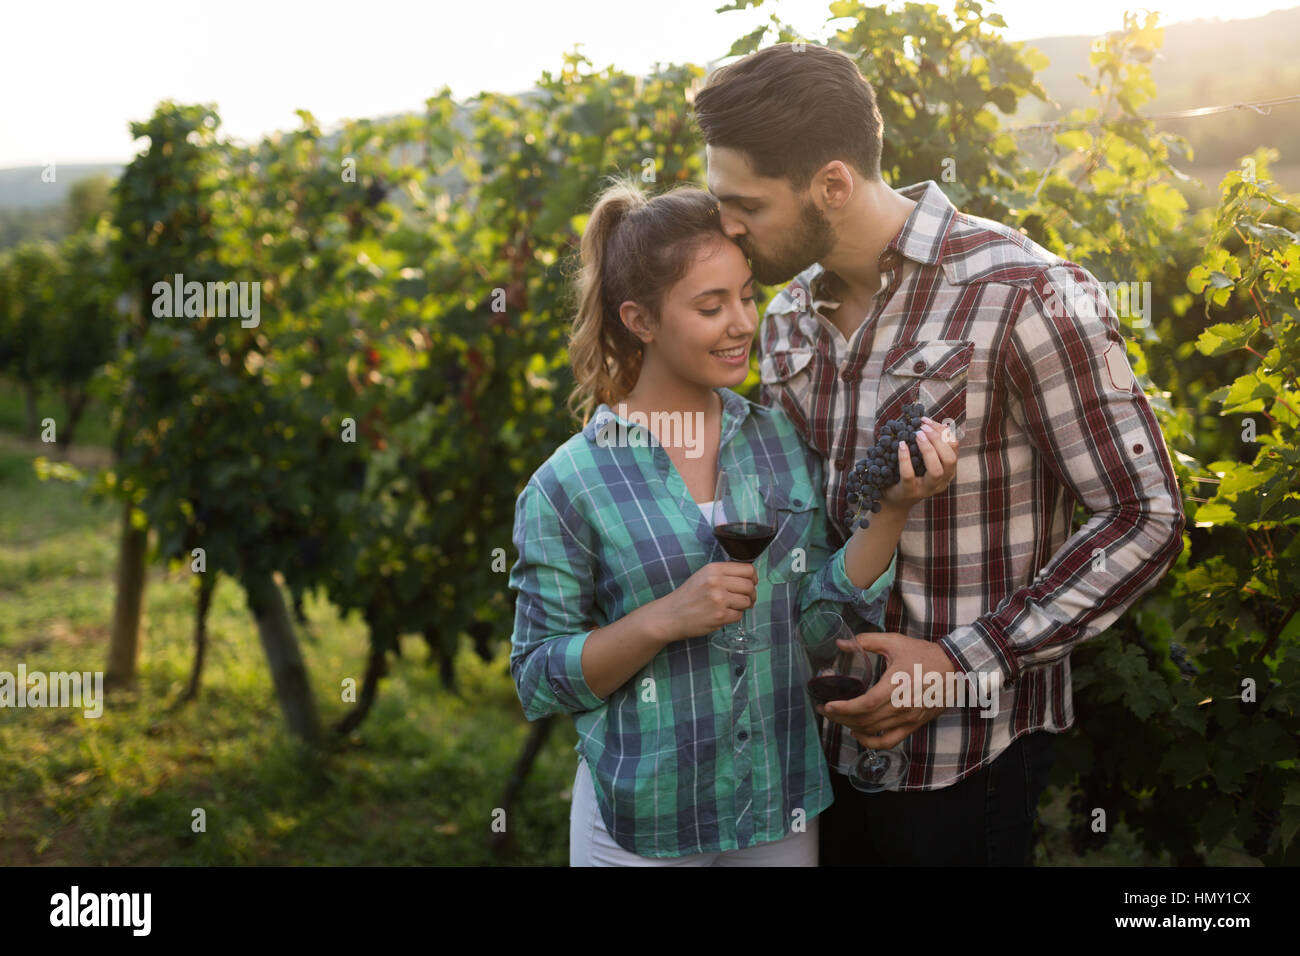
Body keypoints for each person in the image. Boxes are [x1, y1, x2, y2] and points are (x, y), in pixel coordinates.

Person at [693, 43, 1186, 865]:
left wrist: (958, 665)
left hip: (966, 759)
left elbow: (1147, 516)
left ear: (833, 185)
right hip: (815, 758)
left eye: (745, 203)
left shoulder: (1021, 292)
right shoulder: (780, 322)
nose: (727, 225)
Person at [507, 177, 959, 866]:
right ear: (641, 320)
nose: (744, 323)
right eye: (711, 306)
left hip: (777, 802)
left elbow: (814, 630)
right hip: (648, 819)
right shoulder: (570, 484)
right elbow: (539, 679)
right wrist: (664, 618)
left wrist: (890, 514)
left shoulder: (778, 443)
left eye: (747, 295)